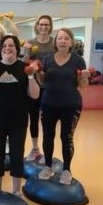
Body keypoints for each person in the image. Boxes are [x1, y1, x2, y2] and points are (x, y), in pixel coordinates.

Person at [0, 35, 40, 196]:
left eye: (11, 45)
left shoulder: (24, 67)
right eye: (5, 45)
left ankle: (16, 191)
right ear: (1, 49)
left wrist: (31, 75)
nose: (7, 48)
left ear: (17, 49)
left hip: (18, 120)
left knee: (17, 155)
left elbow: (34, 95)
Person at [36, 28, 90, 185]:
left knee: (66, 137)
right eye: (60, 38)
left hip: (71, 105)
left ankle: (67, 169)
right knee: (48, 136)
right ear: (55, 41)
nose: (63, 41)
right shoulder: (46, 59)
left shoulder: (78, 60)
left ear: (71, 42)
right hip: (48, 104)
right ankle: (47, 166)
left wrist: (85, 77)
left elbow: (82, 85)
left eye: (66, 38)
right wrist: (38, 73)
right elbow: (42, 82)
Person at [23, 15, 55, 161]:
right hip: (34, 85)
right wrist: (27, 51)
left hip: (50, 85)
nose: (44, 27)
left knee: (48, 120)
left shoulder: (55, 43)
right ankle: (35, 149)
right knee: (33, 117)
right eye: (41, 24)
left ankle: (47, 152)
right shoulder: (30, 42)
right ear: (37, 25)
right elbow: (24, 63)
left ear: (50, 26)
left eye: (46, 25)